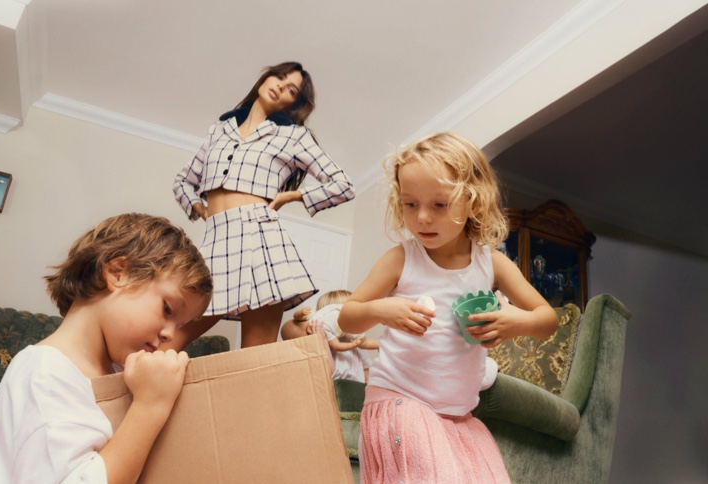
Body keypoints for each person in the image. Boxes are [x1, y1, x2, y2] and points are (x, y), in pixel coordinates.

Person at [337, 133, 558, 483]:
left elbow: (547, 319)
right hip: (400, 400)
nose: (422, 217)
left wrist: (515, 322)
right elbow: (348, 316)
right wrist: (385, 309)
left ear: (472, 202)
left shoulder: (492, 264)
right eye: (410, 204)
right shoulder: (401, 259)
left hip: (458, 415)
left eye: (439, 205)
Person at [0, 213, 213, 483]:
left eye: (180, 326)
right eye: (168, 309)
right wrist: (150, 407)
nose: (169, 334)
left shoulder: (121, 375)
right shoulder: (44, 374)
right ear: (118, 273)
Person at [172, 61, 355, 349]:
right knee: (168, 338)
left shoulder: (293, 136)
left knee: (253, 359)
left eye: (291, 88)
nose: (281, 85)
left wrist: (293, 196)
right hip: (216, 239)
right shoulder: (218, 131)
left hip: (260, 239)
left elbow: (343, 185)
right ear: (265, 78)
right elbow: (182, 182)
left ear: (293, 102)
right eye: (279, 77)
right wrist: (202, 210)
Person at [282, 290, 379, 383]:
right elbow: (329, 371)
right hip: (335, 389)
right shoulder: (325, 344)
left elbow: (366, 368)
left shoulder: (356, 343)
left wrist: (367, 380)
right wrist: (322, 340)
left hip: (356, 391)